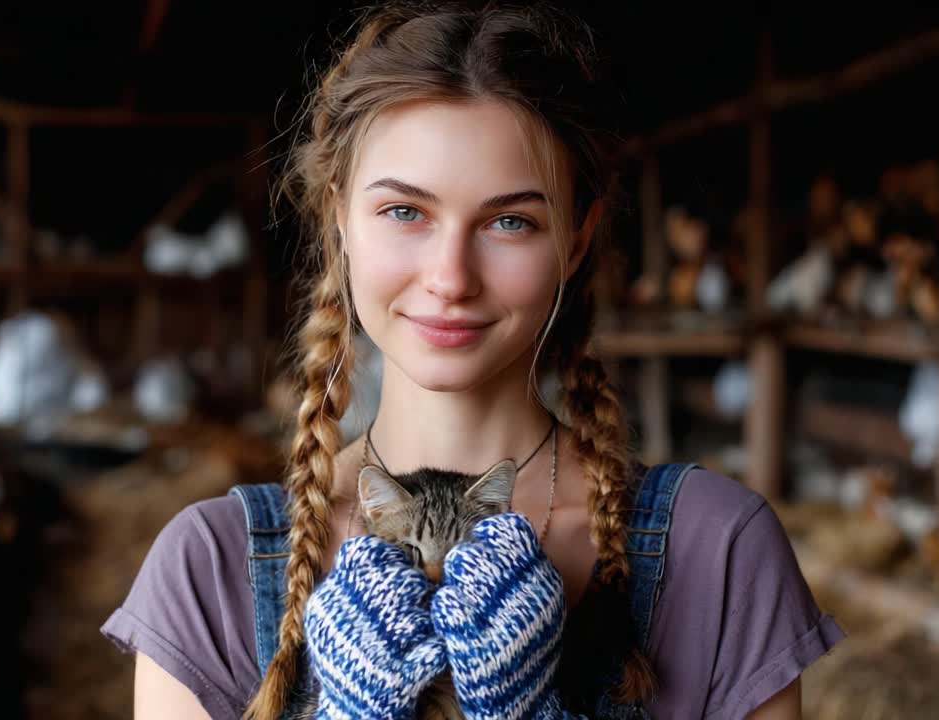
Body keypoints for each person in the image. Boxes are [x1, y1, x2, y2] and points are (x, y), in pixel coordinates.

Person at [101, 3, 845, 718]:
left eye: (510, 221)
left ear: (576, 240)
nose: (451, 278)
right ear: (338, 217)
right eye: (404, 211)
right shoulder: (209, 572)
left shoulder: (718, 551)